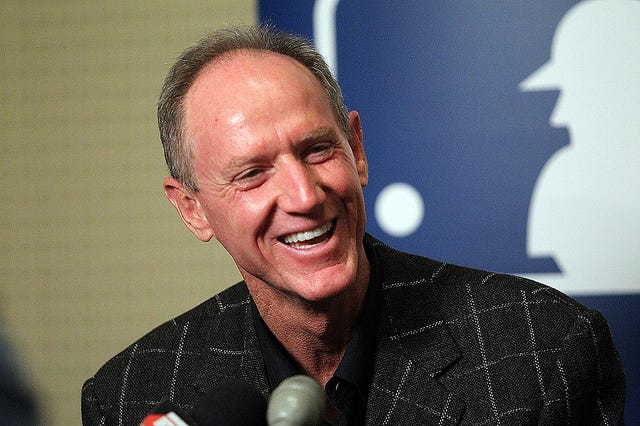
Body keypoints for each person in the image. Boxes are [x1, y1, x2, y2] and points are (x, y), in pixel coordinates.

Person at [81, 25, 625, 425]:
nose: (303, 196)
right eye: (252, 174)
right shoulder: (130, 397)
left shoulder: (543, 350)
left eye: (318, 150)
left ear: (356, 149)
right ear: (192, 209)